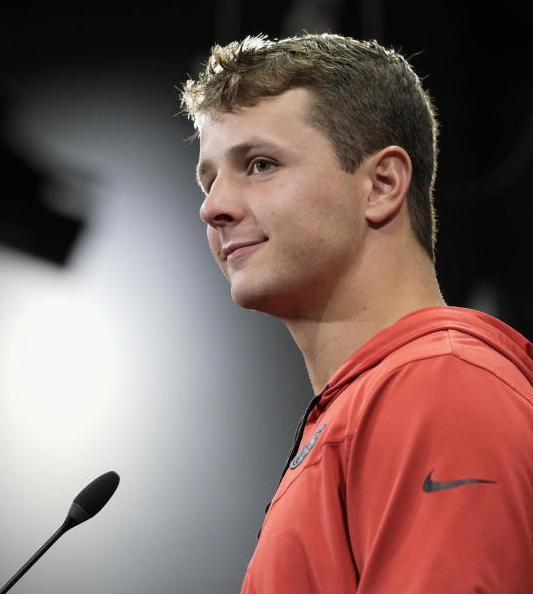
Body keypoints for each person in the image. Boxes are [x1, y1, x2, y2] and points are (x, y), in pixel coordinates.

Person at [180, 33, 533, 593]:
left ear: (382, 184)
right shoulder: (374, 401)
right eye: (209, 179)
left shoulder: (439, 387)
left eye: (261, 164)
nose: (212, 207)